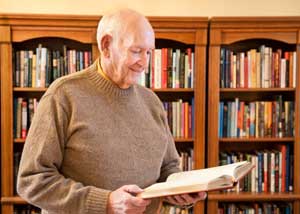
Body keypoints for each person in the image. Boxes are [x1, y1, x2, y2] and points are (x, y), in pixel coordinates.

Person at [17, 8, 206, 214]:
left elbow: (168, 168)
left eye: (149, 52)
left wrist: (180, 190)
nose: (144, 63)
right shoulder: (64, 95)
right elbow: (32, 181)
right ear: (106, 46)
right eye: (136, 51)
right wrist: (105, 202)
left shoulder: (151, 101)